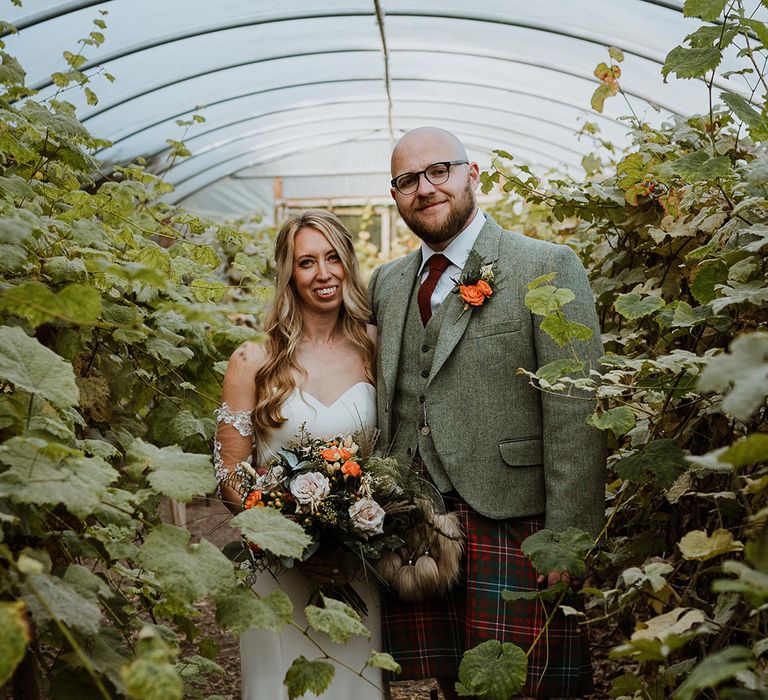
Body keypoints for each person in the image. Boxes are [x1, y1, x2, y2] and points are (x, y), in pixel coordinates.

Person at [368, 127, 606, 700]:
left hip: (515, 515)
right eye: (407, 181)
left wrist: (567, 539)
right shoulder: (387, 282)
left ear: (472, 175)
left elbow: (575, 410)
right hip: (417, 521)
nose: (424, 189)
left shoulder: (545, 264)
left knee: (527, 682)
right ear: (396, 196)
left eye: (438, 172)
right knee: (450, 682)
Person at [214, 210, 383, 700]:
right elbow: (230, 475)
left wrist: (352, 535)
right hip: (279, 570)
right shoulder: (254, 359)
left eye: (333, 258)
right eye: (307, 262)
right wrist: (292, 544)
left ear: (348, 264)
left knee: (358, 685)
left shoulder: (375, 347)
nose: (323, 273)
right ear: (288, 273)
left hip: (356, 567)